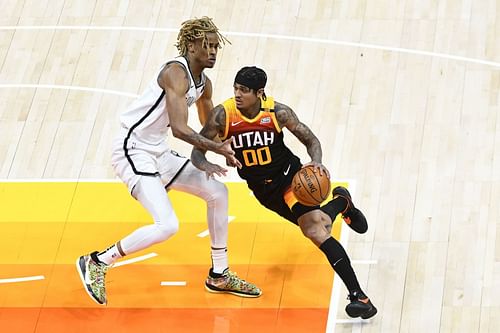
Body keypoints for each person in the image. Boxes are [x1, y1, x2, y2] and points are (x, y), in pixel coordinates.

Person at [76, 18, 261, 305]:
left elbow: (207, 124)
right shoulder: (176, 73)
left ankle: (220, 274)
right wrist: (215, 148)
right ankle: (98, 260)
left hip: (158, 151)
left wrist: (240, 138)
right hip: (132, 148)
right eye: (206, 45)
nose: (213, 51)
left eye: (215, 46)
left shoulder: (204, 84)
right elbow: (180, 128)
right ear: (191, 45)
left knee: (218, 192)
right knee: (167, 226)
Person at [191, 66, 377, 319]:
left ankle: (359, 296)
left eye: (244, 90)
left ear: (260, 93)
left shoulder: (277, 113)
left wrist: (316, 162)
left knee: (314, 230)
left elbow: (311, 140)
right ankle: (341, 202)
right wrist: (210, 161)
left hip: (290, 179)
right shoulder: (223, 116)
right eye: (235, 88)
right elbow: (197, 150)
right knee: (319, 224)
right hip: (262, 190)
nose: (237, 94)